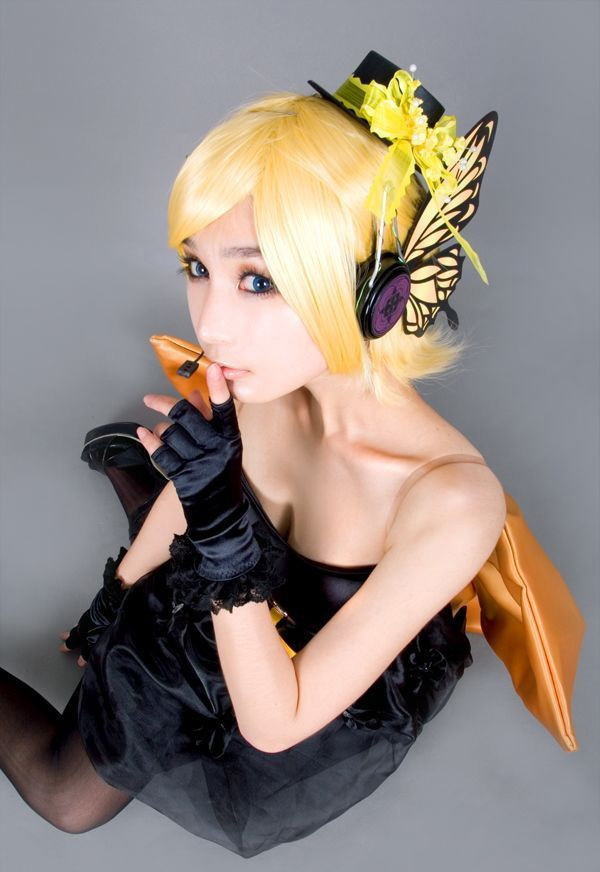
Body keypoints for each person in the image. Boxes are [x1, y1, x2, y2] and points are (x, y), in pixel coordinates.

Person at [0, 51, 564, 858]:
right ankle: (144, 472)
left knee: (210, 501)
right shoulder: (263, 386)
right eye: (198, 267)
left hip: (303, 683)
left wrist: (221, 523)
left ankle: (144, 469)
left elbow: (278, 723)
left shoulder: (449, 500)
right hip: (221, 587)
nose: (210, 324)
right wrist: (110, 608)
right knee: (68, 799)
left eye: (258, 281)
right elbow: (195, 505)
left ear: (379, 298)